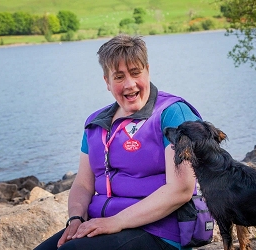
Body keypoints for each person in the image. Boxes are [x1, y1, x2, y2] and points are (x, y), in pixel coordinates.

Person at [35, 34, 201, 250]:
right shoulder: (95, 124)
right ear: (107, 82)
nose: (130, 85)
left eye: (135, 73)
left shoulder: (173, 114)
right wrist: (75, 219)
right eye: (119, 77)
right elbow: (84, 184)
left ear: (148, 70)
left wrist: (116, 222)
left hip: (160, 231)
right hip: (102, 225)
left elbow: (181, 189)